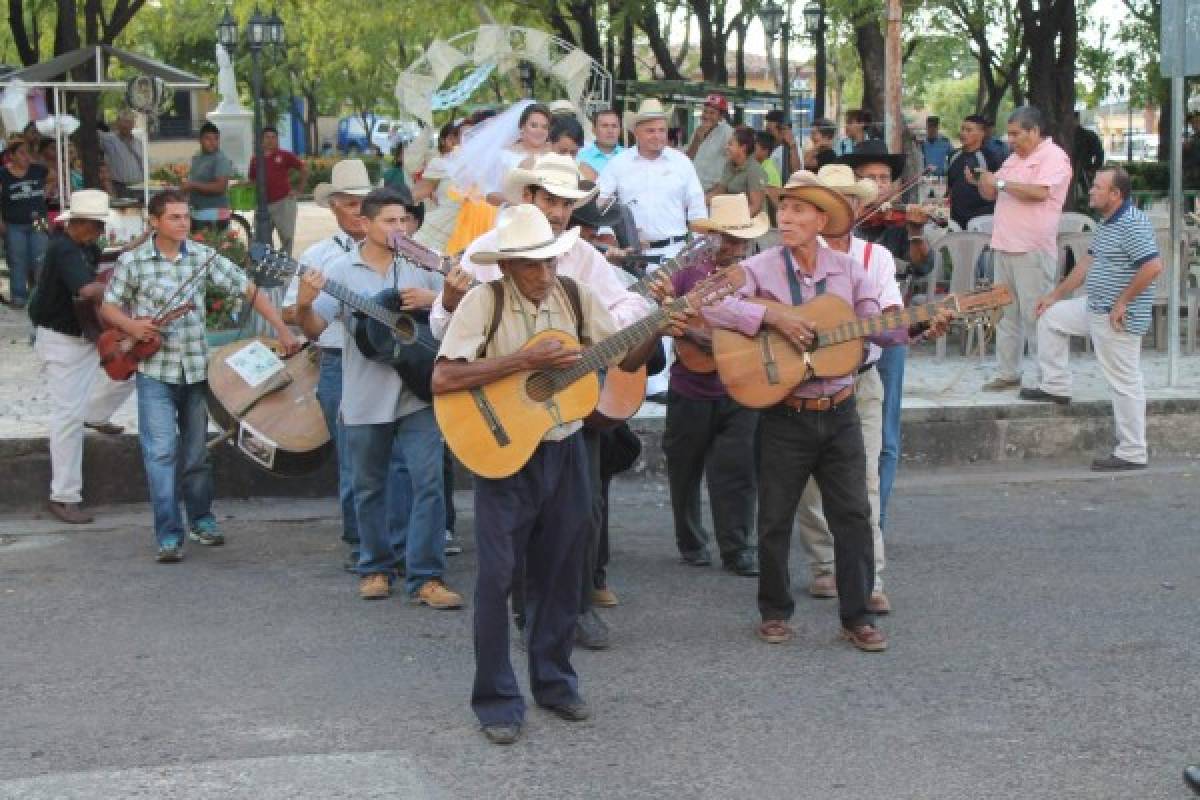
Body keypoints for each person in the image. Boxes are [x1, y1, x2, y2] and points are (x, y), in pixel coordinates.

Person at [431, 202, 685, 745]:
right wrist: (522, 363)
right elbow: (444, 378)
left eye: (548, 262)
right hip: (503, 457)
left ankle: (554, 682)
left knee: (565, 569)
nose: (544, 275)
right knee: (497, 577)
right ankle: (497, 700)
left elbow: (625, 358)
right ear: (505, 266)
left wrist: (656, 324)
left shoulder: (574, 294)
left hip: (566, 448)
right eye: (530, 265)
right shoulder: (483, 302)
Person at [702, 169, 952, 652]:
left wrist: (918, 327)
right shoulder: (760, 266)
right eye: (784, 208)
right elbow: (711, 304)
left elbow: (878, 326)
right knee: (774, 517)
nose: (786, 217)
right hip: (785, 411)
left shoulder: (851, 270)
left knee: (854, 515)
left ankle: (856, 616)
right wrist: (771, 315)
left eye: (798, 210)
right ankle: (774, 611)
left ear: (821, 219)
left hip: (839, 409)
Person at [433, 154, 653, 649]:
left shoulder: (584, 259)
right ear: (528, 198)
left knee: (580, 516)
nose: (558, 211)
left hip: (571, 408)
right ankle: (525, 615)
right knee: (512, 532)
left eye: (566, 203)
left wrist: (632, 323)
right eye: (549, 199)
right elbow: (447, 338)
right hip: (503, 409)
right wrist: (449, 303)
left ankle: (569, 612)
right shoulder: (487, 253)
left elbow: (625, 308)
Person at [99, 189, 300, 561]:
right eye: (174, 217)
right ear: (155, 222)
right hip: (154, 371)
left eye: (186, 216)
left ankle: (202, 519)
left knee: (196, 455)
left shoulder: (205, 258)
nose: (183, 223)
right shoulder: (134, 261)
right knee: (160, 453)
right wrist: (133, 325)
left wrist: (282, 330)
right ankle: (168, 534)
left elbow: (247, 290)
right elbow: (109, 306)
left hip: (194, 370)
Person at [295, 188, 459, 605]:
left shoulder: (422, 259)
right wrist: (303, 304)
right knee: (368, 485)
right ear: (364, 225)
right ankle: (375, 567)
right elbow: (314, 329)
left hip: (419, 390)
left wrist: (438, 297)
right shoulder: (341, 269)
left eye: (404, 220)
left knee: (429, 482)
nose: (399, 228)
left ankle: (426, 576)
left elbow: (465, 299)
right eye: (389, 221)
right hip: (366, 393)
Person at [791, 165, 903, 613]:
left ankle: (869, 578)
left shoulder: (877, 258)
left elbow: (892, 317)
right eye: (832, 199)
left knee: (866, 484)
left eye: (850, 200)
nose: (844, 208)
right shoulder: (793, 255)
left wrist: (903, 326)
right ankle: (824, 566)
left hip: (860, 381)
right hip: (803, 383)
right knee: (809, 488)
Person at [1023, 166, 1160, 471]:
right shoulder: (1109, 221)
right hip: (1095, 307)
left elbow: (1152, 267)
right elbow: (1088, 260)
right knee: (1051, 318)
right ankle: (1055, 385)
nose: (1091, 191)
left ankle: (1132, 451)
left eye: (1098, 187)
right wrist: (1055, 296)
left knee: (1124, 382)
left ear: (1116, 194)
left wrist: (1123, 302)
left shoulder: (1133, 224)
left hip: (1116, 316)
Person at [657, 194, 763, 577]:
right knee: (684, 469)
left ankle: (738, 547)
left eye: (739, 239)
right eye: (726, 238)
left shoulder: (758, 276)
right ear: (713, 238)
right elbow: (671, 321)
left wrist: (714, 340)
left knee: (738, 470)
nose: (733, 246)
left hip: (740, 386)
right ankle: (691, 542)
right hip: (690, 386)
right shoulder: (686, 275)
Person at [282, 160, 372, 570]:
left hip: (384, 360)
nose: (357, 212)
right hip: (336, 357)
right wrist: (311, 304)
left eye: (363, 204)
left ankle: (395, 535)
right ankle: (359, 539)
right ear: (334, 207)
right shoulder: (317, 256)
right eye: (350, 204)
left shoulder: (390, 245)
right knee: (351, 453)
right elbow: (288, 312)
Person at [29, 190, 136, 524]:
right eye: (96, 226)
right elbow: (89, 289)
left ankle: (96, 412)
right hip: (62, 339)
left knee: (132, 369)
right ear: (78, 223)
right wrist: (125, 294)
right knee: (66, 419)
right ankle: (63, 496)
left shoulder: (84, 245)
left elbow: (106, 257)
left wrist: (136, 247)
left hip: (86, 334)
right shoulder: (62, 248)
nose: (100, 232)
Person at [842, 152, 933, 534]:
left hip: (890, 333)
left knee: (886, 432)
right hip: (842, 335)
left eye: (884, 178)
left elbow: (923, 264)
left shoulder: (896, 227)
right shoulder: (841, 227)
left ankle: (875, 521)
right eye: (869, 178)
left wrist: (915, 233)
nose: (879, 186)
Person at [597, 98, 707, 397]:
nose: (658, 136)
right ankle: (630, 382)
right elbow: (602, 207)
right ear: (636, 132)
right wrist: (611, 245)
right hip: (630, 256)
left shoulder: (681, 163)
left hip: (673, 251)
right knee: (633, 315)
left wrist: (701, 245)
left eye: (662, 130)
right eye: (651, 131)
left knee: (670, 311)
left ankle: (659, 385)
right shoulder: (618, 165)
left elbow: (697, 208)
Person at [967, 105, 1072, 393]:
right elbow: (994, 190)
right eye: (1009, 134)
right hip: (1004, 245)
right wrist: (983, 182)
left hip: (1032, 249)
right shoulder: (1014, 158)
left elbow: (1040, 192)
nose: (1011, 140)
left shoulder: (1054, 157)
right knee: (1005, 315)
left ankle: (1049, 379)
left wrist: (999, 181)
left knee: (1038, 316)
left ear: (1034, 131)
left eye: (1016, 134)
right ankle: (1008, 372)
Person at [1, 138, 49, 309]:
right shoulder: (3, 175)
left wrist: (47, 191)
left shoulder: (38, 170)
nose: (26, 157)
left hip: (39, 220)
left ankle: (41, 296)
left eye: (28, 152)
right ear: (11, 156)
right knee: (17, 259)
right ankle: (19, 296)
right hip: (14, 223)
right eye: (21, 153)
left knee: (41, 257)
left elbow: (53, 176)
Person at [248, 126, 309, 256]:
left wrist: (299, 190)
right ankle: (265, 267)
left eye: (273, 137)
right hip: (263, 205)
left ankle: (284, 266)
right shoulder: (255, 159)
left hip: (283, 203)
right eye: (267, 137)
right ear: (261, 140)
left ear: (277, 139)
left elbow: (303, 168)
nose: (270, 140)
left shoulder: (285, 155)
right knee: (261, 238)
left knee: (287, 237)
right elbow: (252, 180)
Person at [410, 121, 463, 253]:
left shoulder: (491, 165)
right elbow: (417, 193)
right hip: (445, 225)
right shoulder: (440, 163)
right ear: (450, 140)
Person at [946, 114, 1005, 229]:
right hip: (956, 218)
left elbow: (999, 188)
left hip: (981, 219)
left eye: (969, 130)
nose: (963, 133)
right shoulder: (953, 155)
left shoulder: (991, 158)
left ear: (982, 133)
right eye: (962, 129)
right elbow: (950, 186)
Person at [705, 126, 766, 218]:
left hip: (751, 224)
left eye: (730, 144)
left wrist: (737, 222)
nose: (726, 147)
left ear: (743, 147)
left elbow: (756, 206)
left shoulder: (754, 170)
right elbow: (720, 191)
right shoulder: (729, 165)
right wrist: (700, 201)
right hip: (730, 218)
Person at [183, 122, 234, 233]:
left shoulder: (220, 159)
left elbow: (220, 187)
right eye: (208, 139)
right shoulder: (197, 157)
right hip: (197, 214)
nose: (212, 142)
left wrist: (192, 185)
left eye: (216, 139)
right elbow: (194, 180)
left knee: (214, 249)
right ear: (200, 140)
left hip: (215, 217)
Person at [686, 94, 734, 192]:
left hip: (713, 190)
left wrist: (722, 185)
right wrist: (696, 140)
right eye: (705, 111)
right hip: (695, 187)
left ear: (721, 116)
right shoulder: (697, 130)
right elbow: (688, 159)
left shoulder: (727, 132)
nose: (707, 116)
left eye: (712, 113)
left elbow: (734, 161)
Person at [98, 110, 144, 197]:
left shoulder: (138, 142)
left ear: (133, 124)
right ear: (118, 123)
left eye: (129, 122)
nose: (126, 125)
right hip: (119, 186)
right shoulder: (108, 139)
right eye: (124, 121)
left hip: (139, 186)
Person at [577, 109, 624, 177]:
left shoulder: (631, 157)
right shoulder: (580, 157)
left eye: (614, 126)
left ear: (620, 130)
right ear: (594, 129)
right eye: (604, 126)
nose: (610, 131)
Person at [548, 115, 595, 181]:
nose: (568, 157)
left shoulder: (586, 175)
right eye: (562, 151)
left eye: (573, 153)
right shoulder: (534, 167)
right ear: (550, 143)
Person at [1071, 111, 1105, 200]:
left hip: (1084, 172)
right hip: (1070, 171)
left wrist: (1093, 169)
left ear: (1077, 120)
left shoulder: (1089, 136)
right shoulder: (1063, 135)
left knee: (1088, 195)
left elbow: (1099, 154)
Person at [764, 110, 802, 178]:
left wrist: (792, 146)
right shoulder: (775, 147)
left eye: (770, 130)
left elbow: (796, 171)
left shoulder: (790, 148)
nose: (769, 134)